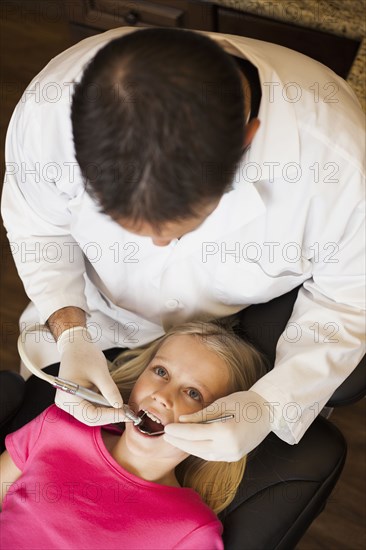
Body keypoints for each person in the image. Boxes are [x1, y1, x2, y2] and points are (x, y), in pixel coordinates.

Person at [1, 27, 365, 462]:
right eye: (127, 224)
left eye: (180, 227)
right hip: (91, 310)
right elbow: (38, 229)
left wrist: (270, 405)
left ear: (247, 140)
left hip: (223, 339)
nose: (157, 244)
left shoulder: (340, 169)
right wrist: (71, 333)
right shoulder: (49, 114)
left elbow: (347, 303)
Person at [0, 322, 265, 549]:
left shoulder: (192, 530)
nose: (162, 396)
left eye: (193, 393)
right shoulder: (58, 425)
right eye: (161, 372)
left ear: (219, 428)